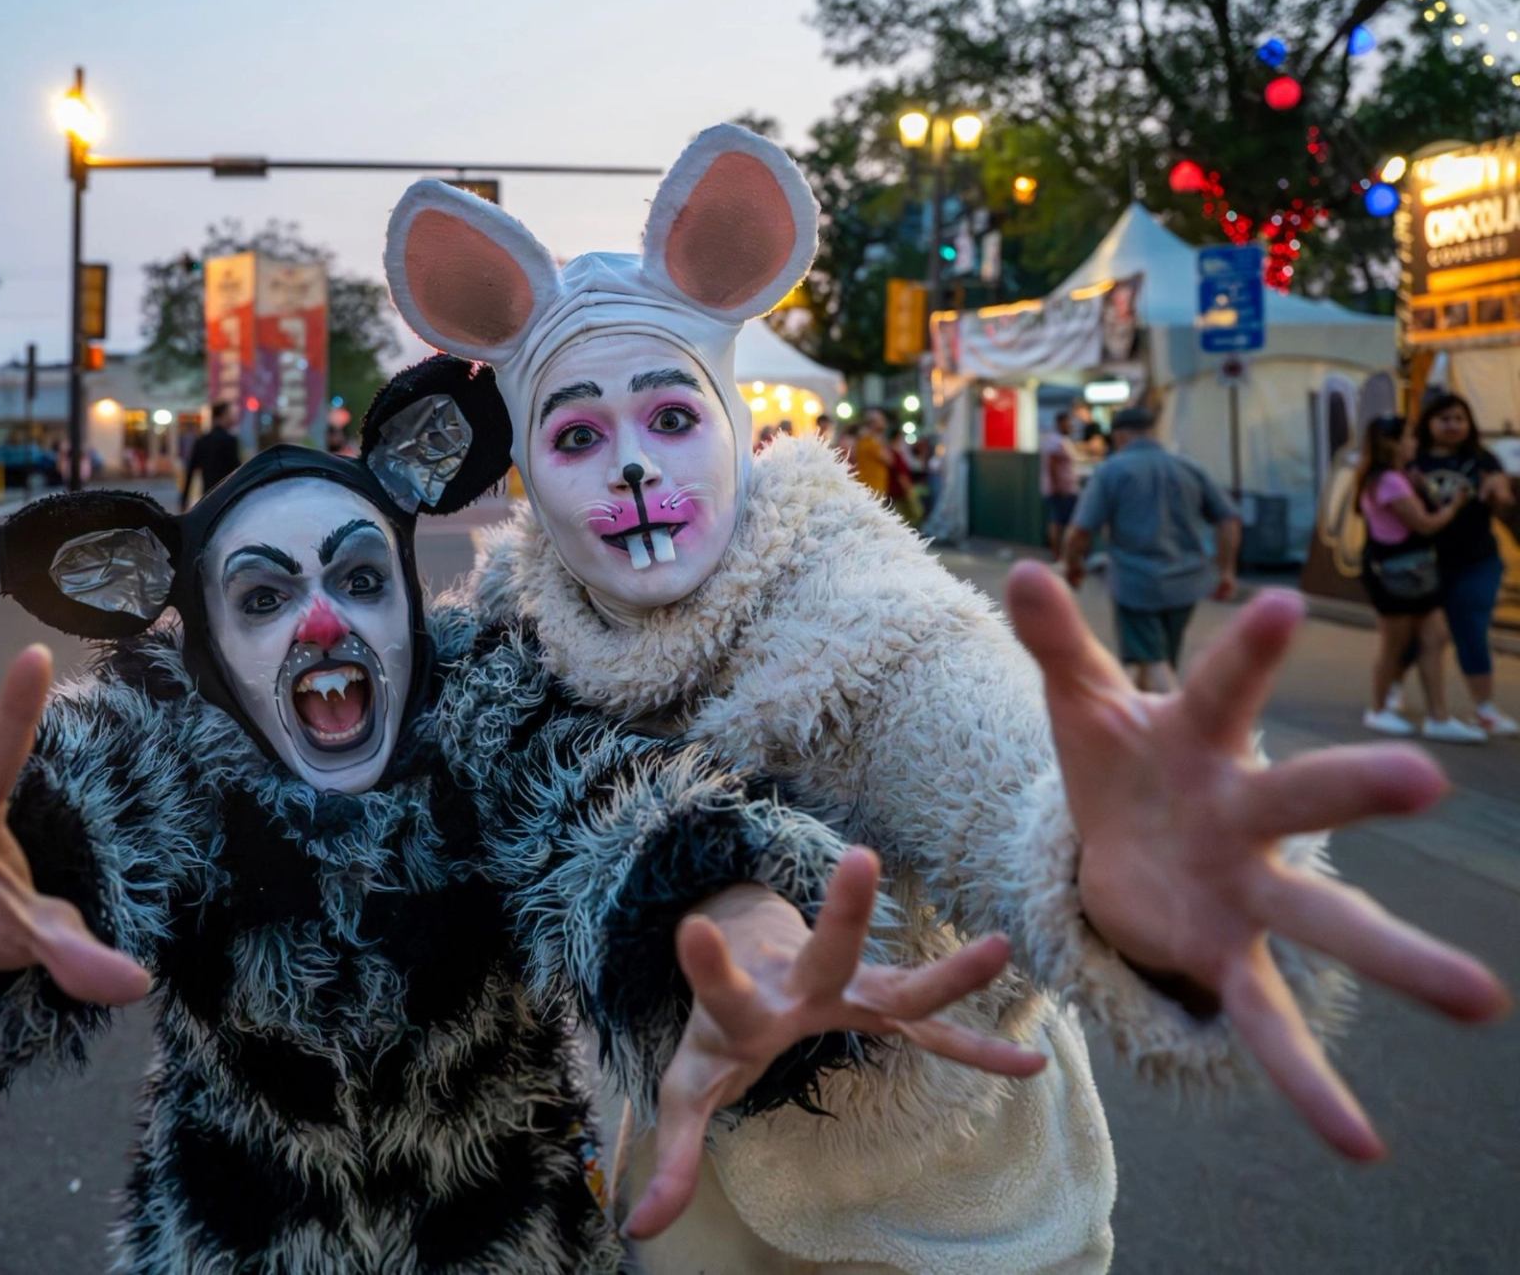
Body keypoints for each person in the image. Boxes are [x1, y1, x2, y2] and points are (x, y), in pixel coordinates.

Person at [386, 123, 1508, 1272]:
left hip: (956, 1215)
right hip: (682, 1207)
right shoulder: (507, 653)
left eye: (673, 419)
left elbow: (975, 739)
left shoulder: (857, 611)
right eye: (578, 435)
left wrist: (1094, 861)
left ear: (732, 430)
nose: (634, 466)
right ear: (527, 469)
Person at [0, 363, 1035, 1274]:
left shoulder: (482, 700)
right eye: (261, 600)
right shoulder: (167, 727)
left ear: (402, 599)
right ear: (204, 641)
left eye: (354, 579)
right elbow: (77, 803)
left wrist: (745, 927)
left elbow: (616, 812)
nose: (322, 621)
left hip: (510, 1242)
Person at [1062, 407, 1241, 692]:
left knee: (1153, 662)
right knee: (1162, 656)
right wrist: (1226, 570)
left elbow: (1080, 531)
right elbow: (1229, 520)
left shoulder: (1112, 471)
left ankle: (1169, 721)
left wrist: (1073, 566)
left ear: (1120, 435)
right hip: (1185, 584)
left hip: (1136, 584)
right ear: (1152, 431)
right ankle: (1151, 715)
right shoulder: (1189, 468)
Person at [1353, 414, 1484, 743]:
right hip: (1398, 572)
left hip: (1416, 571)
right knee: (1394, 645)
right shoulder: (1389, 482)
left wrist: (1422, 487)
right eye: (1410, 437)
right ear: (1394, 443)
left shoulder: (1393, 477)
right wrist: (1454, 507)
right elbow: (1424, 523)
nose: (1416, 443)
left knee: (1435, 638)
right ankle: (1379, 709)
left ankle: (1438, 716)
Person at [1403, 394, 1517, 737]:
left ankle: (1484, 708)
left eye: (1459, 419)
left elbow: (1506, 507)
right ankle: (1390, 690)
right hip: (1426, 561)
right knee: (1417, 634)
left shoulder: (1482, 460)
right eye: (1444, 419)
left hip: (1477, 559)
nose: (1453, 425)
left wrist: (1500, 495)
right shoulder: (1414, 461)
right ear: (1429, 423)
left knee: (1471, 626)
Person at [180, 401, 241, 510]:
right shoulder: (230, 440)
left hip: (207, 496)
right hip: (227, 497)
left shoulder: (202, 441)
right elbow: (237, 471)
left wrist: (184, 499)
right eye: (230, 414)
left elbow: (190, 471)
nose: (233, 418)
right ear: (222, 415)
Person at [1040, 410, 1082, 561]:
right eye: (1068, 423)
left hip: (1066, 488)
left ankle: (1062, 553)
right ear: (1060, 423)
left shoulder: (1063, 440)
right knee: (1058, 523)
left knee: (1061, 522)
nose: (1070, 426)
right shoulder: (1055, 441)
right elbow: (1052, 465)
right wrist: (1058, 487)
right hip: (1061, 490)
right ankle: (1058, 554)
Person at [850, 407, 894, 499]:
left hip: (867, 486)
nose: (884, 422)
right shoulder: (870, 441)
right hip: (873, 488)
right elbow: (889, 459)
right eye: (881, 420)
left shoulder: (862, 440)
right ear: (873, 424)